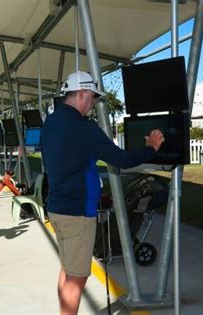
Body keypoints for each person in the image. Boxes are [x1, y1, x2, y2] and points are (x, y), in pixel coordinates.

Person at [41, 71, 165, 314]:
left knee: (67, 271)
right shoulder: (84, 128)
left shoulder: (50, 124)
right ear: (82, 93)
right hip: (77, 213)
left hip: (57, 208)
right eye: (92, 98)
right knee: (77, 279)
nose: (92, 104)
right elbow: (121, 159)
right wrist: (150, 148)